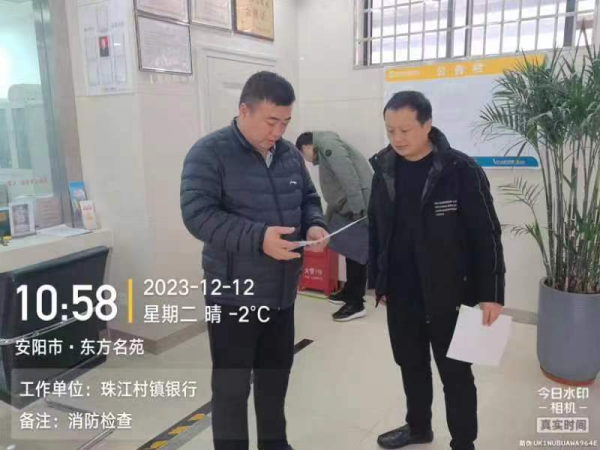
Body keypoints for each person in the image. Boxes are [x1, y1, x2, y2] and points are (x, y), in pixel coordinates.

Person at [180, 71, 328, 450]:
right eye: (270, 121)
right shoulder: (209, 153)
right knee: (231, 390)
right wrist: (259, 238)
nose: (278, 132)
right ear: (244, 110)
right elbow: (197, 214)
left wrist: (314, 225)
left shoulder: (289, 155)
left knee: (274, 381)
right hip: (233, 296)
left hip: (281, 293)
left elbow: (308, 199)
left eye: (285, 122)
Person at [368, 91, 505, 450]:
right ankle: (418, 428)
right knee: (411, 364)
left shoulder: (460, 169)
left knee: (456, 373)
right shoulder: (384, 169)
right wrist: (378, 281)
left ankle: (463, 442)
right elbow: (377, 230)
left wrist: (491, 294)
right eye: (390, 130)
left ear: (427, 125)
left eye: (405, 130)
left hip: (452, 293)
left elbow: (486, 234)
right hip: (402, 291)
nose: (397, 139)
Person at [296, 131, 373, 322]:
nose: (307, 161)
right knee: (347, 248)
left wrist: (358, 208)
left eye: (303, 156)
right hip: (351, 205)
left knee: (356, 251)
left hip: (359, 205)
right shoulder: (324, 149)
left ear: (307, 147)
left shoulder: (327, 144)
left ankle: (356, 303)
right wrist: (324, 221)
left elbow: (347, 175)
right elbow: (336, 191)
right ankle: (349, 291)